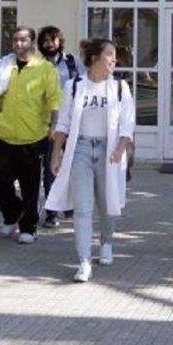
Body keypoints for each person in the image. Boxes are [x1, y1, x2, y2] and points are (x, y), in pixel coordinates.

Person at [45, 38, 135, 282]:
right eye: (109, 54)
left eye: (115, 55)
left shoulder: (120, 87)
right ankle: (84, 261)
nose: (114, 60)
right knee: (82, 208)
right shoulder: (75, 86)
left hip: (109, 150)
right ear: (95, 57)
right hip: (81, 149)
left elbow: (128, 122)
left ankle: (106, 242)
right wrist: (56, 155)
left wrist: (120, 149)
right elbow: (62, 123)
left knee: (106, 204)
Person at [0, 25, 62, 244]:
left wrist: (54, 125)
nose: (18, 44)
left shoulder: (45, 69)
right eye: (15, 40)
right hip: (6, 133)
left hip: (33, 136)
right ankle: (13, 212)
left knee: (30, 185)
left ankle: (29, 227)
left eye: (23, 40)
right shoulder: (5, 66)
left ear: (32, 43)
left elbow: (54, 100)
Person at [38, 25, 85, 228]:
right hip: (47, 124)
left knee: (73, 167)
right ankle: (51, 211)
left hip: (72, 122)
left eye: (52, 40)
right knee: (50, 168)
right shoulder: (36, 65)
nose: (49, 44)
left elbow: (83, 86)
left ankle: (69, 205)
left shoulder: (72, 63)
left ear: (60, 42)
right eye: (45, 41)